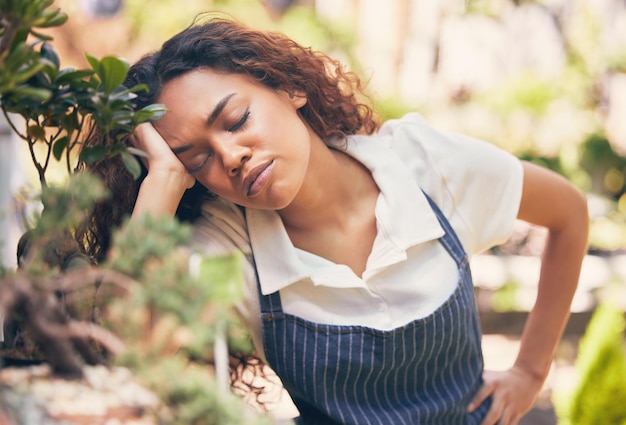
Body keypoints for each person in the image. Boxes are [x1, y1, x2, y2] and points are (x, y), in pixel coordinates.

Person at [78, 15, 589, 425]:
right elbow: (131, 354)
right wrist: (161, 187)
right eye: (196, 161)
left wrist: (529, 371)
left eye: (236, 120)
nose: (230, 155)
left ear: (289, 89)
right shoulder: (228, 251)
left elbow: (568, 212)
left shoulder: (424, 167)